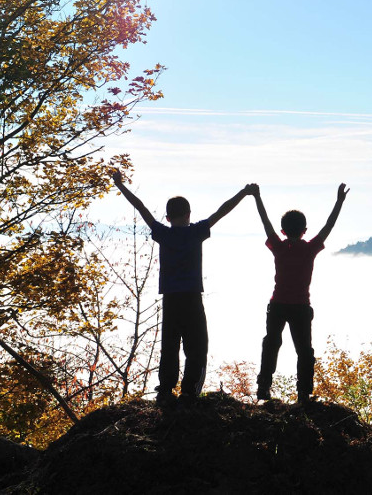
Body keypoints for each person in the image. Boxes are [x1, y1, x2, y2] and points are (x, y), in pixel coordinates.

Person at [112, 170, 256, 408]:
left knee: (169, 345)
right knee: (197, 346)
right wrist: (244, 192)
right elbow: (222, 210)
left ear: (167, 217)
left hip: (170, 298)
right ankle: (189, 392)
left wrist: (121, 185)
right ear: (189, 214)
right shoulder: (196, 232)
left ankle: (166, 389)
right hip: (191, 298)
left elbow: (141, 208)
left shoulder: (163, 233)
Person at [252, 183, 349, 403]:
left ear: (283, 231)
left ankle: (263, 388)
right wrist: (339, 202)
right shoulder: (309, 248)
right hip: (301, 308)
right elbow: (328, 226)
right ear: (305, 230)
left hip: (277, 305)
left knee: (271, 344)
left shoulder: (278, 246)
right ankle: (303, 394)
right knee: (304, 351)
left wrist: (257, 197)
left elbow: (265, 222)